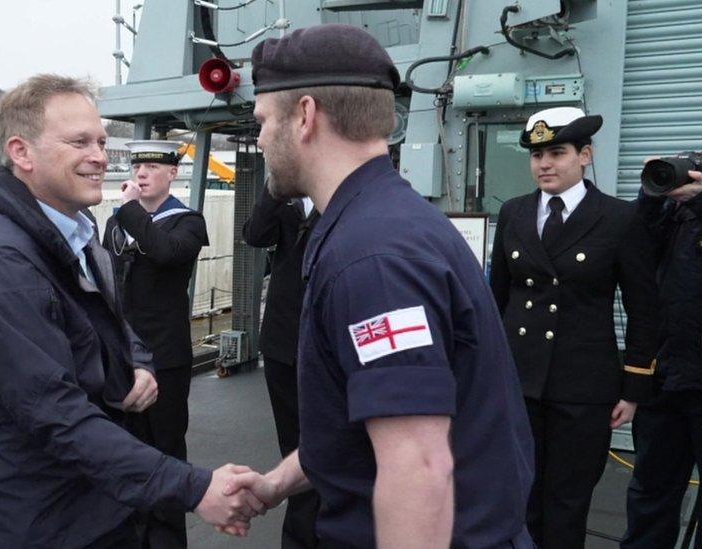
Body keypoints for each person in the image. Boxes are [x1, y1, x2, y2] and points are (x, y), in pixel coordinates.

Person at [223, 24, 535, 548]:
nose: (258, 138)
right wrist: (278, 483)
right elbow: (366, 422)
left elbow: (418, 465)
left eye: (260, 121)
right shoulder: (384, 221)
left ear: (304, 117)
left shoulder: (372, 259)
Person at [0, 74, 264, 548]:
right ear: (21, 152)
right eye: (79, 142)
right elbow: (56, 415)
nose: (100, 156)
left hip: (98, 504)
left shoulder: (78, 233)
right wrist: (195, 488)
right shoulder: (1, 268)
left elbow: (115, 318)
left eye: (99, 140)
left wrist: (139, 361)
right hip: (43, 521)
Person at [489, 106, 661, 548]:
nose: (544, 164)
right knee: (518, 497)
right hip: (520, 380)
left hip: (583, 386)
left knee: (566, 504)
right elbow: (497, 299)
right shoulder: (514, 213)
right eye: (536, 154)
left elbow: (643, 308)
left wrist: (633, 386)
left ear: (585, 156)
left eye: (557, 152)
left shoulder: (619, 220)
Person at [101, 139, 209, 548]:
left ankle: (166, 541)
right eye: (137, 166)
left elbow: (165, 253)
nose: (141, 174)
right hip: (122, 356)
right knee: (123, 453)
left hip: (165, 357)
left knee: (164, 451)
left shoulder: (188, 222)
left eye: (151, 167)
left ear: (172, 174)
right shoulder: (116, 224)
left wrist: (129, 212)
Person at [621, 168, 702, 548]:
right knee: (650, 493)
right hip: (664, 376)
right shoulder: (672, 214)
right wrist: (651, 198)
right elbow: (634, 249)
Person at [242, 183, 321, 548]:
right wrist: (273, 188)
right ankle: (301, 535)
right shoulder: (285, 199)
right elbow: (255, 234)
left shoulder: (338, 191)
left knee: (331, 443)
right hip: (283, 340)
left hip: (325, 341)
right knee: (292, 446)